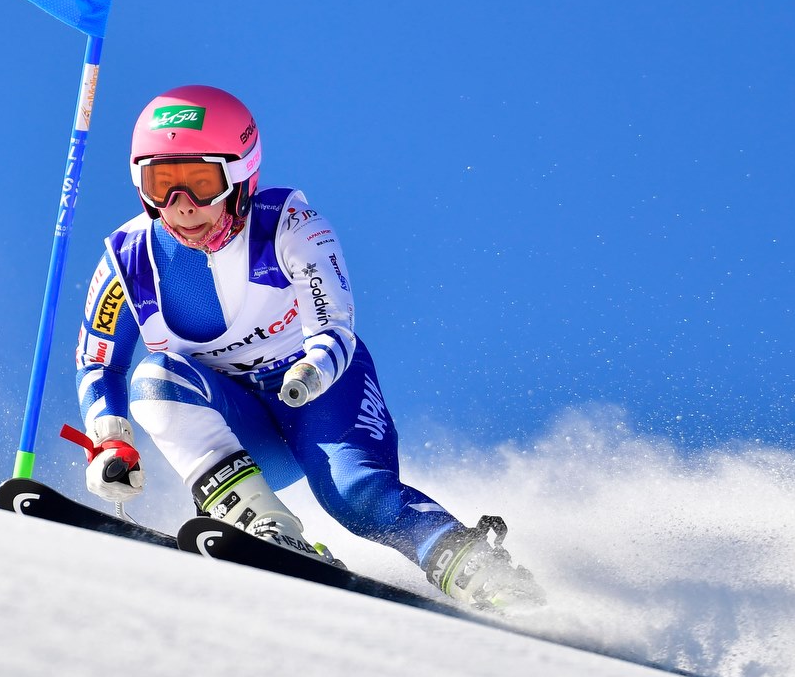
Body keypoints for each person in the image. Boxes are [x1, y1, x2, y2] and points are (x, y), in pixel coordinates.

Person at [72, 84, 540, 609]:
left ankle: (478, 570)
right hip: (239, 430)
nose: (182, 207)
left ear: (241, 175)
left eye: (201, 183)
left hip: (320, 395)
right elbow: (98, 364)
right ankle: (263, 524)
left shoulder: (290, 228)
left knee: (357, 497)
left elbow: (334, 327)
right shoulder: (128, 261)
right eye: (161, 184)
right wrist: (110, 440)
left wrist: (312, 372)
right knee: (154, 377)